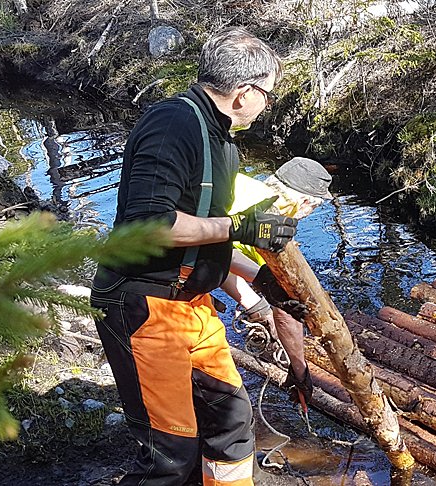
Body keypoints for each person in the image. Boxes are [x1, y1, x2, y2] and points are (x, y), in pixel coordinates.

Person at [90, 28, 290, 486]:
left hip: (192, 305)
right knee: (171, 453)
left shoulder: (223, 141)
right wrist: (238, 228)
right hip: (145, 305)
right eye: (268, 95)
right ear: (244, 93)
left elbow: (202, 236)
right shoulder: (173, 124)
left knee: (233, 423)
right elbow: (152, 223)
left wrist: (263, 282)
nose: (267, 105)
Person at [225, 156, 333, 413]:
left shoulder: (242, 187)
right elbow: (286, 314)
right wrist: (300, 370)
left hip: (144, 267)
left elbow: (219, 258)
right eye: (313, 209)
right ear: (306, 203)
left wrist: (256, 307)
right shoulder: (270, 224)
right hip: (158, 297)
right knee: (228, 403)